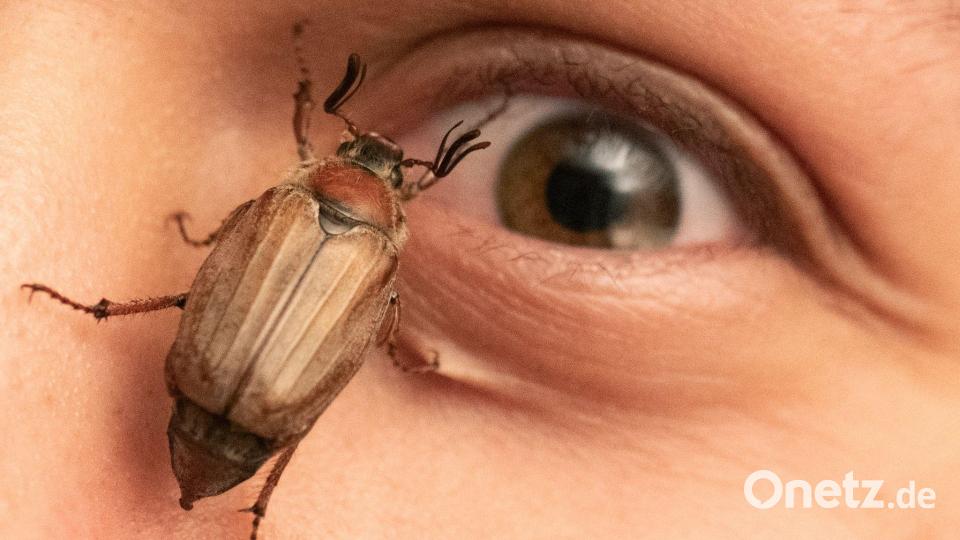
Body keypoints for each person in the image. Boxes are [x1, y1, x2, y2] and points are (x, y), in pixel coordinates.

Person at [2, 1, 958, 538]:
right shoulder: (377, 256)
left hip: (211, 387)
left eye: (568, 177)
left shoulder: (284, 203)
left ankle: (107, 323)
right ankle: (260, 497)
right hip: (245, 417)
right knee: (321, 369)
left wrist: (217, 246)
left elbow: (222, 256)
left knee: (278, 341)